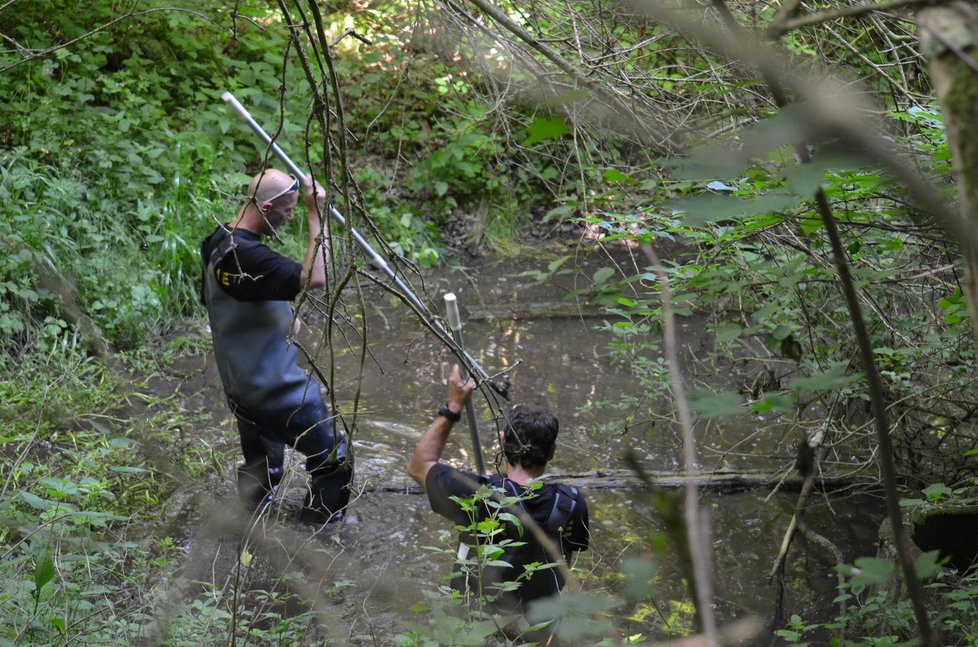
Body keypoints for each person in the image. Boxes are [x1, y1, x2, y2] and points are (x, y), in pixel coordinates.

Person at [200, 167, 351, 524]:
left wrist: (279, 316)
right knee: (334, 459)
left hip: (241, 386)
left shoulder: (218, 243)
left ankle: (248, 525)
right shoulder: (248, 258)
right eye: (288, 209)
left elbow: (223, 301)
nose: (291, 216)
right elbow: (316, 277)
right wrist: (319, 213)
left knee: (263, 466)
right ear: (266, 207)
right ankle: (322, 535)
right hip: (277, 391)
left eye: (299, 208)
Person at [407, 365, 589, 619]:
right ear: (552, 451)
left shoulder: (477, 494)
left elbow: (419, 466)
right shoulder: (572, 502)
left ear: (503, 440)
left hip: (476, 626)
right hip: (541, 630)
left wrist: (454, 407)